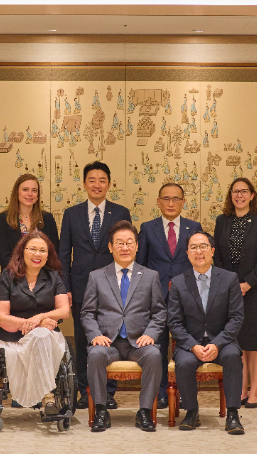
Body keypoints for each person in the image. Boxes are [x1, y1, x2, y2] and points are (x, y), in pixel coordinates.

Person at [81, 220, 167, 432]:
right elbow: (87, 313)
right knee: (95, 354)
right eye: (119, 243)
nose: (125, 247)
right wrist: (95, 335)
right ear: (110, 247)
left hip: (138, 343)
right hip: (108, 342)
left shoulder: (150, 276)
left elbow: (159, 312)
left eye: (129, 242)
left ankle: (144, 411)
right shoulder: (97, 276)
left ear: (137, 246)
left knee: (154, 355)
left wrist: (151, 334)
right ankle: (101, 410)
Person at [59, 161, 131, 410]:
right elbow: (63, 253)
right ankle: (84, 390)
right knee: (83, 341)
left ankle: (108, 392)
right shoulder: (72, 214)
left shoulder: (121, 212)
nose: (97, 185)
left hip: (113, 287)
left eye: (102, 180)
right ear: (84, 184)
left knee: (111, 340)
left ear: (109, 184)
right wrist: (65, 288)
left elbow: (126, 251)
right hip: (80, 287)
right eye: (92, 180)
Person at [168, 232, 245, 435]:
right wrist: (192, 345)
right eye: (193, 247)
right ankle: (191, 412)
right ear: (187, 253)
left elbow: (236, 318)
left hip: (222, 341)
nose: (198, 251)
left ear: (212, 250)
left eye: (203, 246)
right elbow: (174, 322)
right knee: (184, 362)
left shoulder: (229, 279)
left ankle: (233, 413)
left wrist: (217, 344)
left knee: (232, 356)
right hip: (190, 342)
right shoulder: (178, 282)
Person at [136, 182, 202, 408]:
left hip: (187, 296)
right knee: (158, 346)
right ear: (158, 202)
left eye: (176, 199)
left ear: (183, 202)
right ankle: (162, 392)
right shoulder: (148, 228)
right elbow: (141, 265)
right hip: (157, 297)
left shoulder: (194, 227)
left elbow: (199, 263)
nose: (171, 203)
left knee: (186, 346)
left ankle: (185, 393)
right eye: (166, 198)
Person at [0, 231, 70, 413]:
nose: (37, 254)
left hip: (47, 335)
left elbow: (64, 310)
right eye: (32, 249)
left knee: (41, 336)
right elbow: (0, 316)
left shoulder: (53, 277)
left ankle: (44, 394)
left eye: (42, 250)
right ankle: (47, 395)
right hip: (12, 335)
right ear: (22, 251)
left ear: (48, 255)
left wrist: (39, 318)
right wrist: (36, 324)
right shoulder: (8, 276)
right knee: (41, 334)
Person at [213, 178, 257, 408]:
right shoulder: (222, 221)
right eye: (235, 191)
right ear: (230, 196)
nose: (239, 195)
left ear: (252, 195)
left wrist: (247, 283)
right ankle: (241, 390)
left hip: (256, 290)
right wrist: (230, 284)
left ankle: (254, 393)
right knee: (236, 343)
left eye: (244, 191)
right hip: (230, 291)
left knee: (254, 344)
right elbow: (217, 256)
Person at [0, 173, 59, 271]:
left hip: (43, 276)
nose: (30, 194)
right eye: (25, 189)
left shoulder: (47, 218)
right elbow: (3, 256)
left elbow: (54, 253)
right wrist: (25, 274)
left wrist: (38, 275)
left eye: (34, 190)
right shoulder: (4, 219)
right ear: (17, 192)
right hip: (14, 276)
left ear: (38, 195)